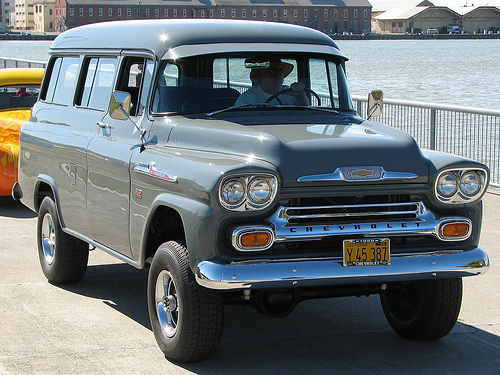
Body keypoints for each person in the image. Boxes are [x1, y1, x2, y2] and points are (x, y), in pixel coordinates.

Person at [234, 59, 309, 106]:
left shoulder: (288, 92)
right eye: (273, 70)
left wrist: (301, 94)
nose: (278, 74)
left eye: (281, 70)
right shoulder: (247, 98)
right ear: (261, 74)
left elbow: (306, 112)